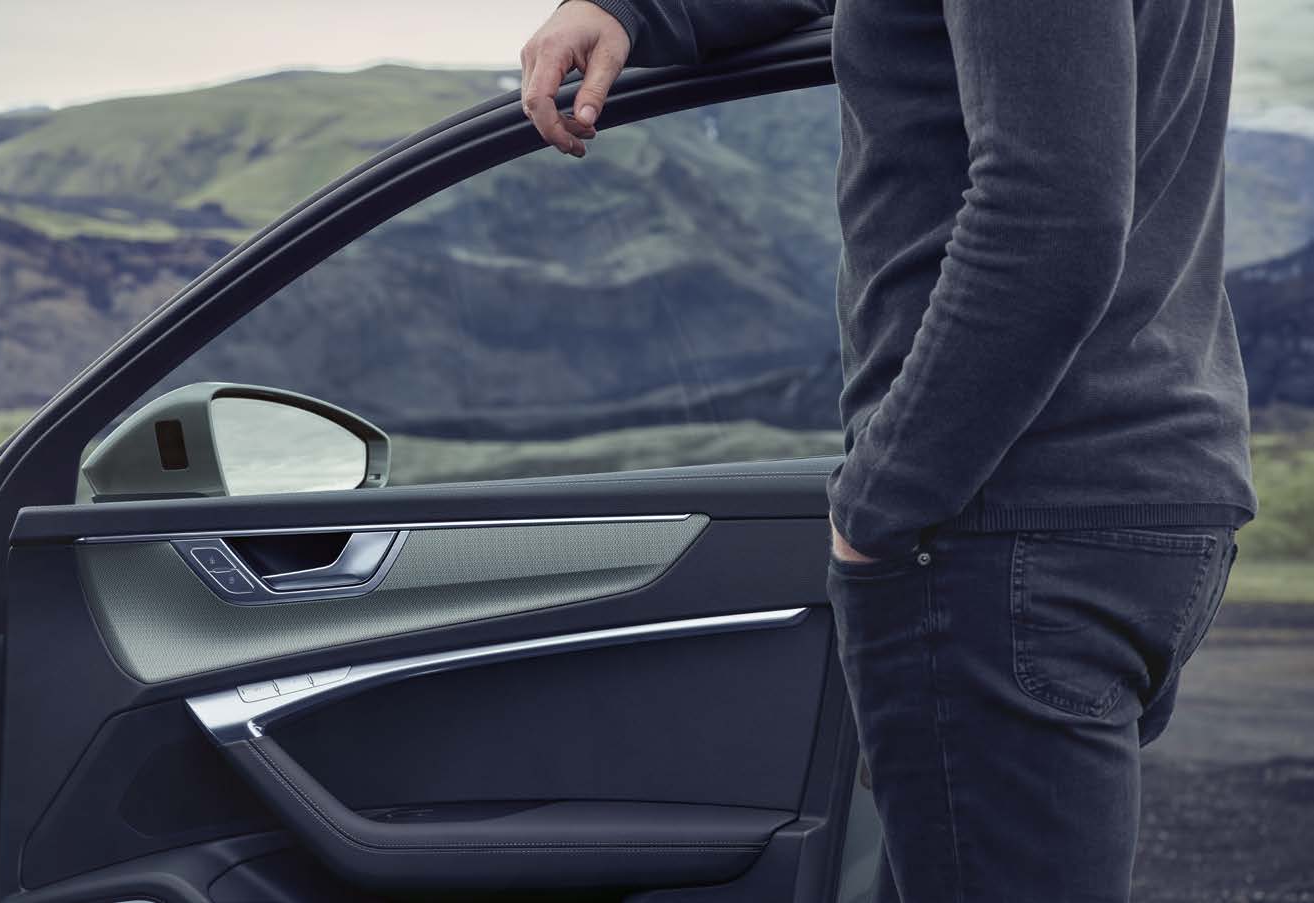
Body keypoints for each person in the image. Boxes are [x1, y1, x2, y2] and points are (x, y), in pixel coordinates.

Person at [518, 1, 1255, 900]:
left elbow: (1052, 215)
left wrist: (878, 504)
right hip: (1123, 487)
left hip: (1004, 513)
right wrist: (636, 11)